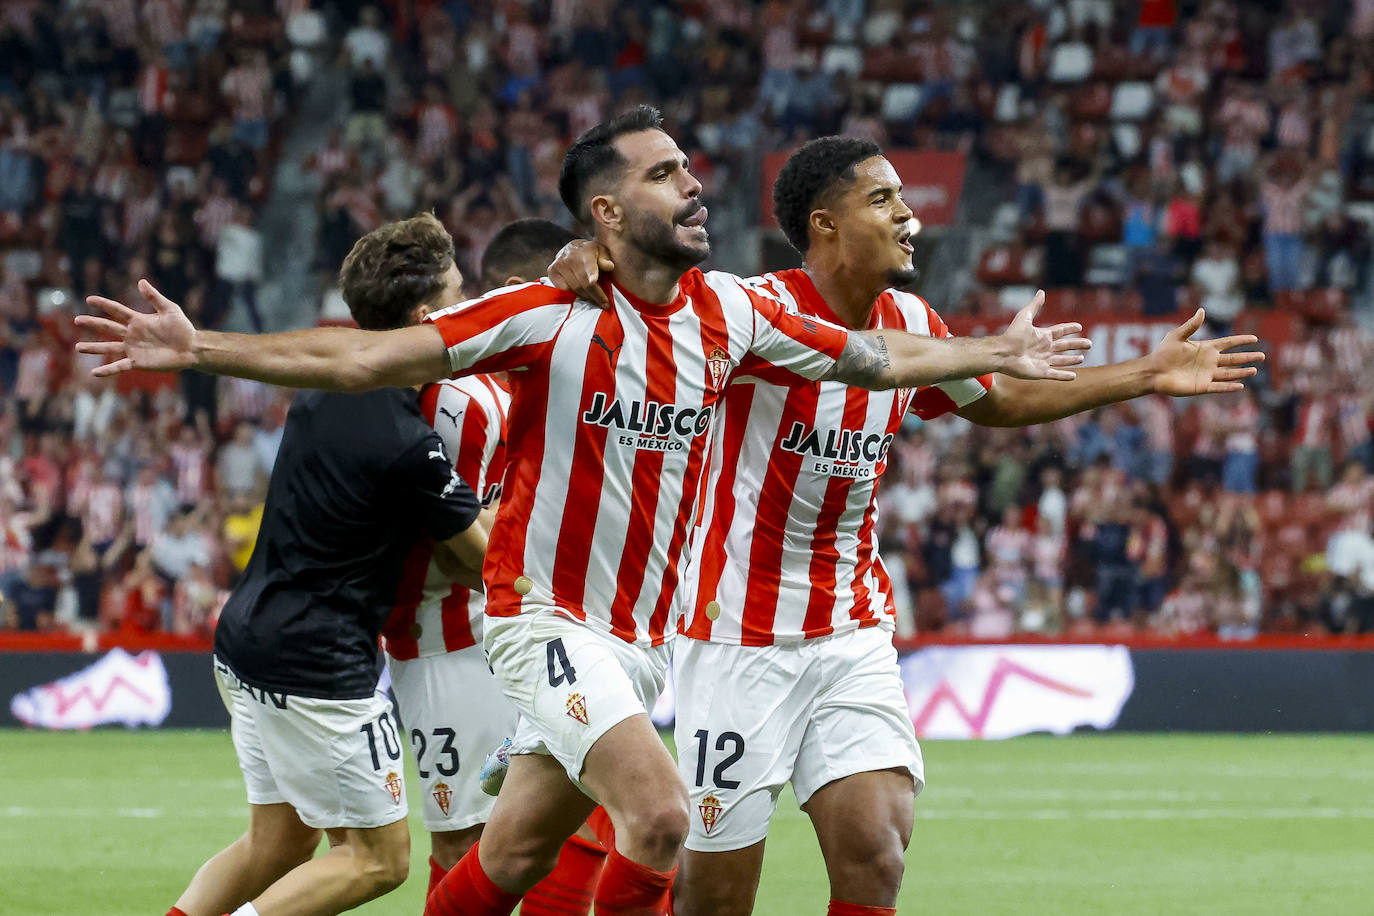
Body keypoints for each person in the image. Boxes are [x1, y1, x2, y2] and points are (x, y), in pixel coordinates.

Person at [77, 106, 1090, 916]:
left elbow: (875, 358)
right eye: (663, 174)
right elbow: (361, 354)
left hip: (641, 638)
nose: (694, 184)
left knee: (513, 853)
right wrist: (202, 345)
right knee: (658, 817)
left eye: (689, 168)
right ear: (605, 215)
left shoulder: (730, 314)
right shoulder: (546, 313)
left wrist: (987, 352)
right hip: (541, 618)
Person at [546, 135, 1264, 916]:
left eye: (904, 199)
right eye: (883, 200)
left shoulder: (913, 317)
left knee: (876, 850)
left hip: (852, 627)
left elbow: (999, 401)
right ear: (824, 224)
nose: (909, 216)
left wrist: (1146, 375)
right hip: (736, 637)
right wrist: (586, 255)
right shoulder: (751, 310)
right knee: (716, 895)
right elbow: (649, 298)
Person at [151, 223, 489, 916]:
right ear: (429, 318)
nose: (471, 304)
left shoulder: (321, 382)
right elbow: (480, 559)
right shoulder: (407, 442)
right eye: (461, 293)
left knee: (276, 845)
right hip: (316, 661)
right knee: (378, 861)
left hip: (245, 637)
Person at [363, 214, 611, 914]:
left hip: (508, 632)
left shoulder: (512, 388)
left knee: (561, 822)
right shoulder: (458, 397)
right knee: (466, 843)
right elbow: (448, 537)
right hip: (444, 644)